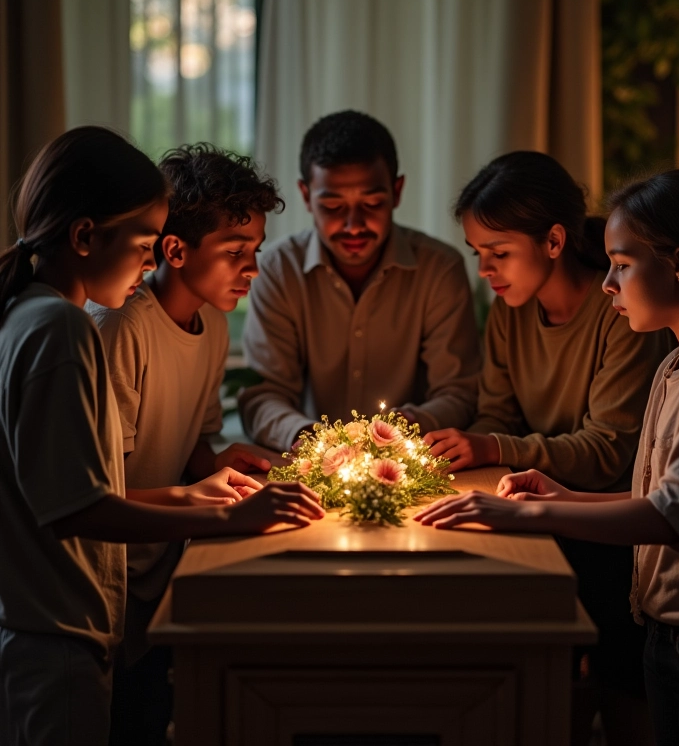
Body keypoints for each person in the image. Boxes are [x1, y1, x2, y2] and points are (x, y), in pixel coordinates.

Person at [416, 168, 679, 746]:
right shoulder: (677, 364)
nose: (608, 284)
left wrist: (530, 515)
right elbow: (657, 495)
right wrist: (565, 496)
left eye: (622, 265)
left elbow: (669, 516)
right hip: (671, 633)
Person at [0, 126, 324, 746]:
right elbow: (81, 505)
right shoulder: (72, 328)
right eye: (145, 245)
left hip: (67, 619)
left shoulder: (42, 318)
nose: (148, 263)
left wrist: (204, 484)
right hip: (58, 624)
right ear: (86, 237)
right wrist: (223, 517)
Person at [423, 151, 672, 746]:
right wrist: (472, 445)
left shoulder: (622, 313)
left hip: (611, 526)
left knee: (614, 676)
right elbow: (496, 413)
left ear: (554, 241)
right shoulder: (510, 312)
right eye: (476, 253)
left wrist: (492, 445)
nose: (485, 270)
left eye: (499, 252)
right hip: (541, 508)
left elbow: (607, 452)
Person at [86, 143, 285, 744]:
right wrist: (204, 500)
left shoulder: (215, 323)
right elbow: (99, 494)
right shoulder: (122, 326)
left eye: (256, 251)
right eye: (235, 252)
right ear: (174, 250)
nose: (252, 269)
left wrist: (218, 464)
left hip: (164, 565)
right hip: (107, 579)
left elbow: (195, 439)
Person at [238, 109, 481, 452]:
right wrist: (311, 439)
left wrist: (408, 426)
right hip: (312, 462)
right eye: (333, 206)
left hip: (411, 459)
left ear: (397, 191)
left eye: (372, 203)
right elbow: (263, 394)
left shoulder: (439, 270)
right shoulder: (278, 270)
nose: (353, 225)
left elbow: (459, 392)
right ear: (306, 196)